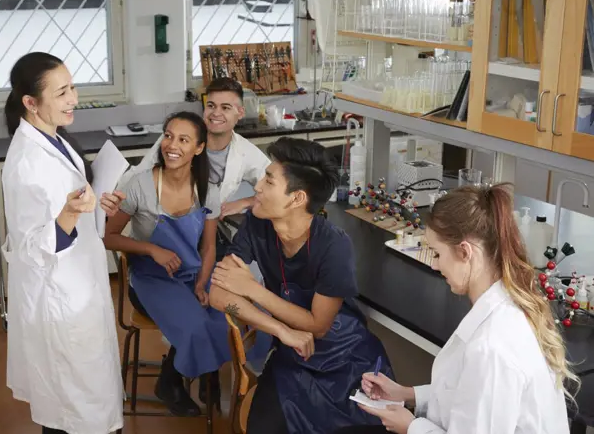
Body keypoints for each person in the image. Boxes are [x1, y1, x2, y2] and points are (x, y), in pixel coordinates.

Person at [336, 184, 578, 434]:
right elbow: (468, 392)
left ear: (465, 251)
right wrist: (407, 395)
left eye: (437, 254)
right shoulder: (507, 303)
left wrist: (411, 427)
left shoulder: (492, 348)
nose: (436, 265)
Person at [209, 137, 394, 434]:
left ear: (296, 199)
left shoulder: (334, 245)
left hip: (348, 356)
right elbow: (218, 292)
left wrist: (253, 290)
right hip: (292, 352)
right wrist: (280, 329)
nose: (257, 188)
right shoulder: (257, 225)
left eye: (268, 181)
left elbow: (318, 326)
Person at [1, 52, 126, 434]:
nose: (73, 99)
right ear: (30, 102)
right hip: (59, 299)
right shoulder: (26, 162)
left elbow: (70, 201)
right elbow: (29, 248)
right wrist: (71, 215)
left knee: (85, 404)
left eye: (72, 87)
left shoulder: (52, 138)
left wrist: (96, 203)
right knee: (73, 412)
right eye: (61, 92)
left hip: (79, 288)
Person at [103, 111, 231, 417]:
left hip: (192, 271)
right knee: (196, 323)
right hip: (150, 279)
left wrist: (201, 281)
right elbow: (107, 236)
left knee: (224, 312)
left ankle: (205, 374)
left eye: (184, 140)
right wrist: (149, 249)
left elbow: (210, 246)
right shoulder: (139, 185)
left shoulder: (208, 189)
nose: (171, 145)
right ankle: (170, 382)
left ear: (198, 148)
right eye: (169, 136)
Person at [122, 77, 270, 225]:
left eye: (225, 108)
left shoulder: (245, 151)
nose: (216, 113)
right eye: (211, 106)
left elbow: (279, 186)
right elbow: (138, 173)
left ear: (240, 113)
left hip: (206, 224)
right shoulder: (176, 138)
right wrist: (114, 200)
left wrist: (246, 202)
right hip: (162, 222)